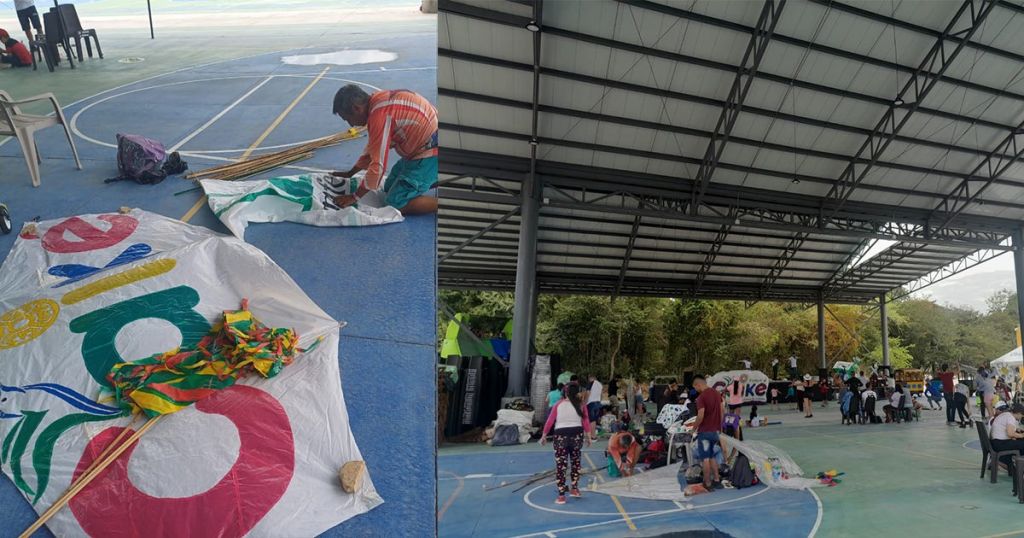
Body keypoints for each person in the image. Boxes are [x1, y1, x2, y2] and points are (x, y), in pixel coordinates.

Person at [331, 85, 438, 215]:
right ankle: (430, 179)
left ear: (356, 108)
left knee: (395, 203)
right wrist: (351, 172)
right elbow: (373, 149)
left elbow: (378, 165)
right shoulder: (378, 100)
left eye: (347, 119)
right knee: (388, 188)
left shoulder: (379, 116)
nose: (351, 125)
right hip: (419, 150)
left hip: (430, 155)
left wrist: (354, 197)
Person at [540, 384, 592, 504]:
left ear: (565, 393)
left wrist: (543, 435)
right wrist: (589, 436)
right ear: (577, 393)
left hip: (560, 435)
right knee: (576, 462)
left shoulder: (558, 404)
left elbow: (550, 421)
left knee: (561, 465)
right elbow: (585, 421)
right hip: (577, 435)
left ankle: (561, 495)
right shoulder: (581, 405)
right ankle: (574, 489)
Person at [691, 374, 724, 491]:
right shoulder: (716, 393)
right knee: (712, 456)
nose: (695, 390)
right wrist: (719, 427)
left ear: (698, 384)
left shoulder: (701, 398)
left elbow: (700, 415)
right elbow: (722, 410)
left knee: (705, 458)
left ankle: (707, 483)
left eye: (695, 388)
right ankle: (716, 479)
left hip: (704, 432)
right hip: (715, 431)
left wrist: (693, 429)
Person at [990, 403, 1024, 495]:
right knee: (1022, 444)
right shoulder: (1011, 418)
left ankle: (1017, 469)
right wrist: (1021, 435)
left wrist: (1018, 431)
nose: (1021, 417)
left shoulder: (1006, 414)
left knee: (1019, 443)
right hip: (1000, 444)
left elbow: (1009, 430)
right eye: (1021, 415)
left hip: (996, 442)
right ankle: (1021, 470)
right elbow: (1010, 433)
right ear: (1018, 413)